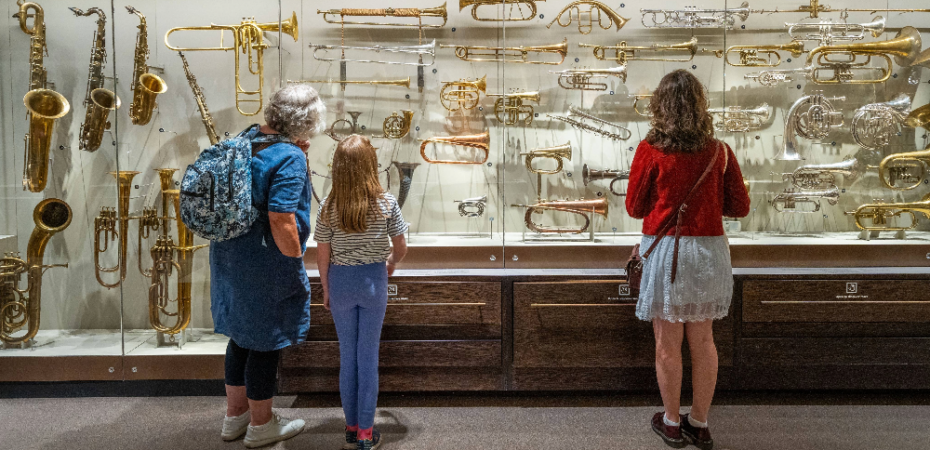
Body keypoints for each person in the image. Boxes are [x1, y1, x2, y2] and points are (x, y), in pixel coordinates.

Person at [625, 70, 750, 450]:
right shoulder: (720, 151)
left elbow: (634, 207)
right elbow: (740, 208)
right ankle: (700, 422)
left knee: (667, 342)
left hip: (668, 252)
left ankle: (672, 422)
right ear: (701, 105)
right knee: (703, 340)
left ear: (659, 106)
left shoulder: (650, 151)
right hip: (709, 252)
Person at [210, 84, 326, 448]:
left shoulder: (248, 138)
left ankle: (236, 417)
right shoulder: (288, 156)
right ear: (308, 120)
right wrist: (295, 258)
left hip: (230, 255)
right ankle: (261, 425)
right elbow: (281, 217)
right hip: (266, 259)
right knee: (264, 342)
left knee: (240, 338)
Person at [314, 134, 408, 450]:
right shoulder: (386, 203)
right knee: (368, 357)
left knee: (347, 357)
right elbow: (401, 247)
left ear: (337, 167)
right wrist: (391, 263)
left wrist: (326, 288)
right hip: (372, 282)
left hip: (339, 282)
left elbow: (322, 253)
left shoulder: (328, 206)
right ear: (372, 166)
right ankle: (367, 435)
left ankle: (351, 429)